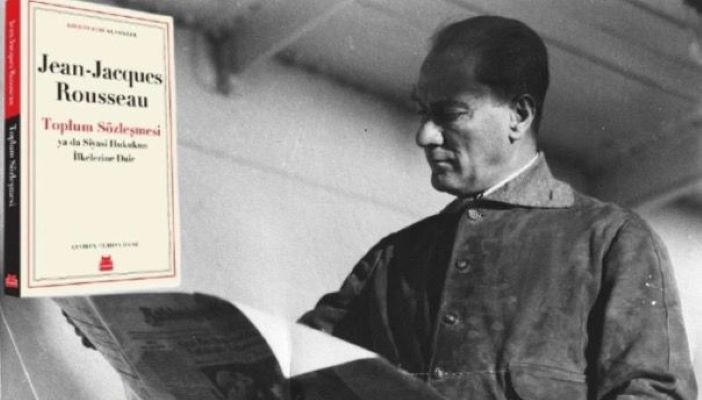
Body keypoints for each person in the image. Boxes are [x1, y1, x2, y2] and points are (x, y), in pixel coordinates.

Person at [299, 15, 697, 400]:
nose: (425, 135)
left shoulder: (611, 241)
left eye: (449, 114)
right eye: (423, 112)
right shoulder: (390, 262)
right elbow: (293, 375)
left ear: (519, 115)